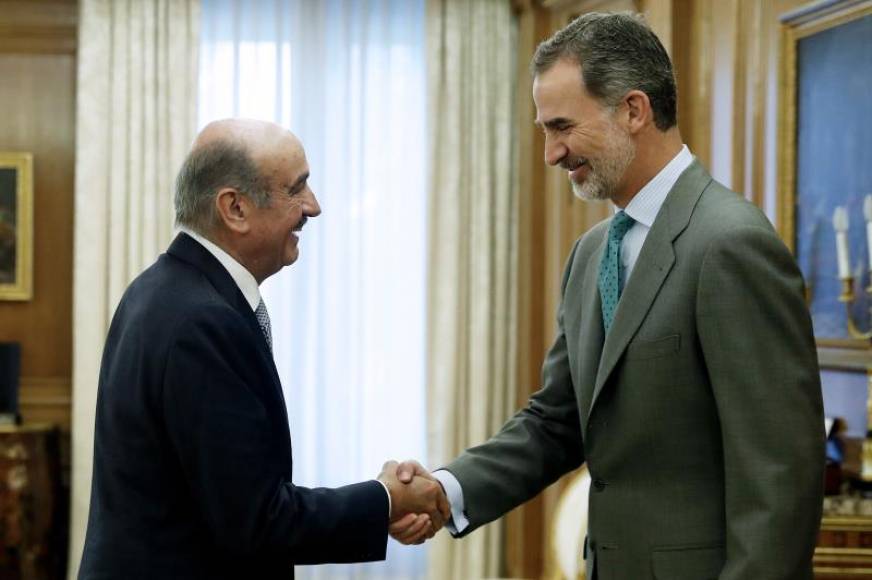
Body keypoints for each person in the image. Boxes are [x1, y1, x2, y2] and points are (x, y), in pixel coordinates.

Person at [392, 12, 824, 580]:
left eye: (562, 126)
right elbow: (556, 421)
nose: (550, 153)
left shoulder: (731, 243)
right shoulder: (592, 253)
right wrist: (448, 490)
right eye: (546, 129)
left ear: (634, 110)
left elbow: (780, 480)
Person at [78, 119, 448, 579]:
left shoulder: (162, 289)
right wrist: (386, 498)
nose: (313, 207)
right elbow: (256, 520)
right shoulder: (202, 321)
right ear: (235, 208)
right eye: (297, 189)